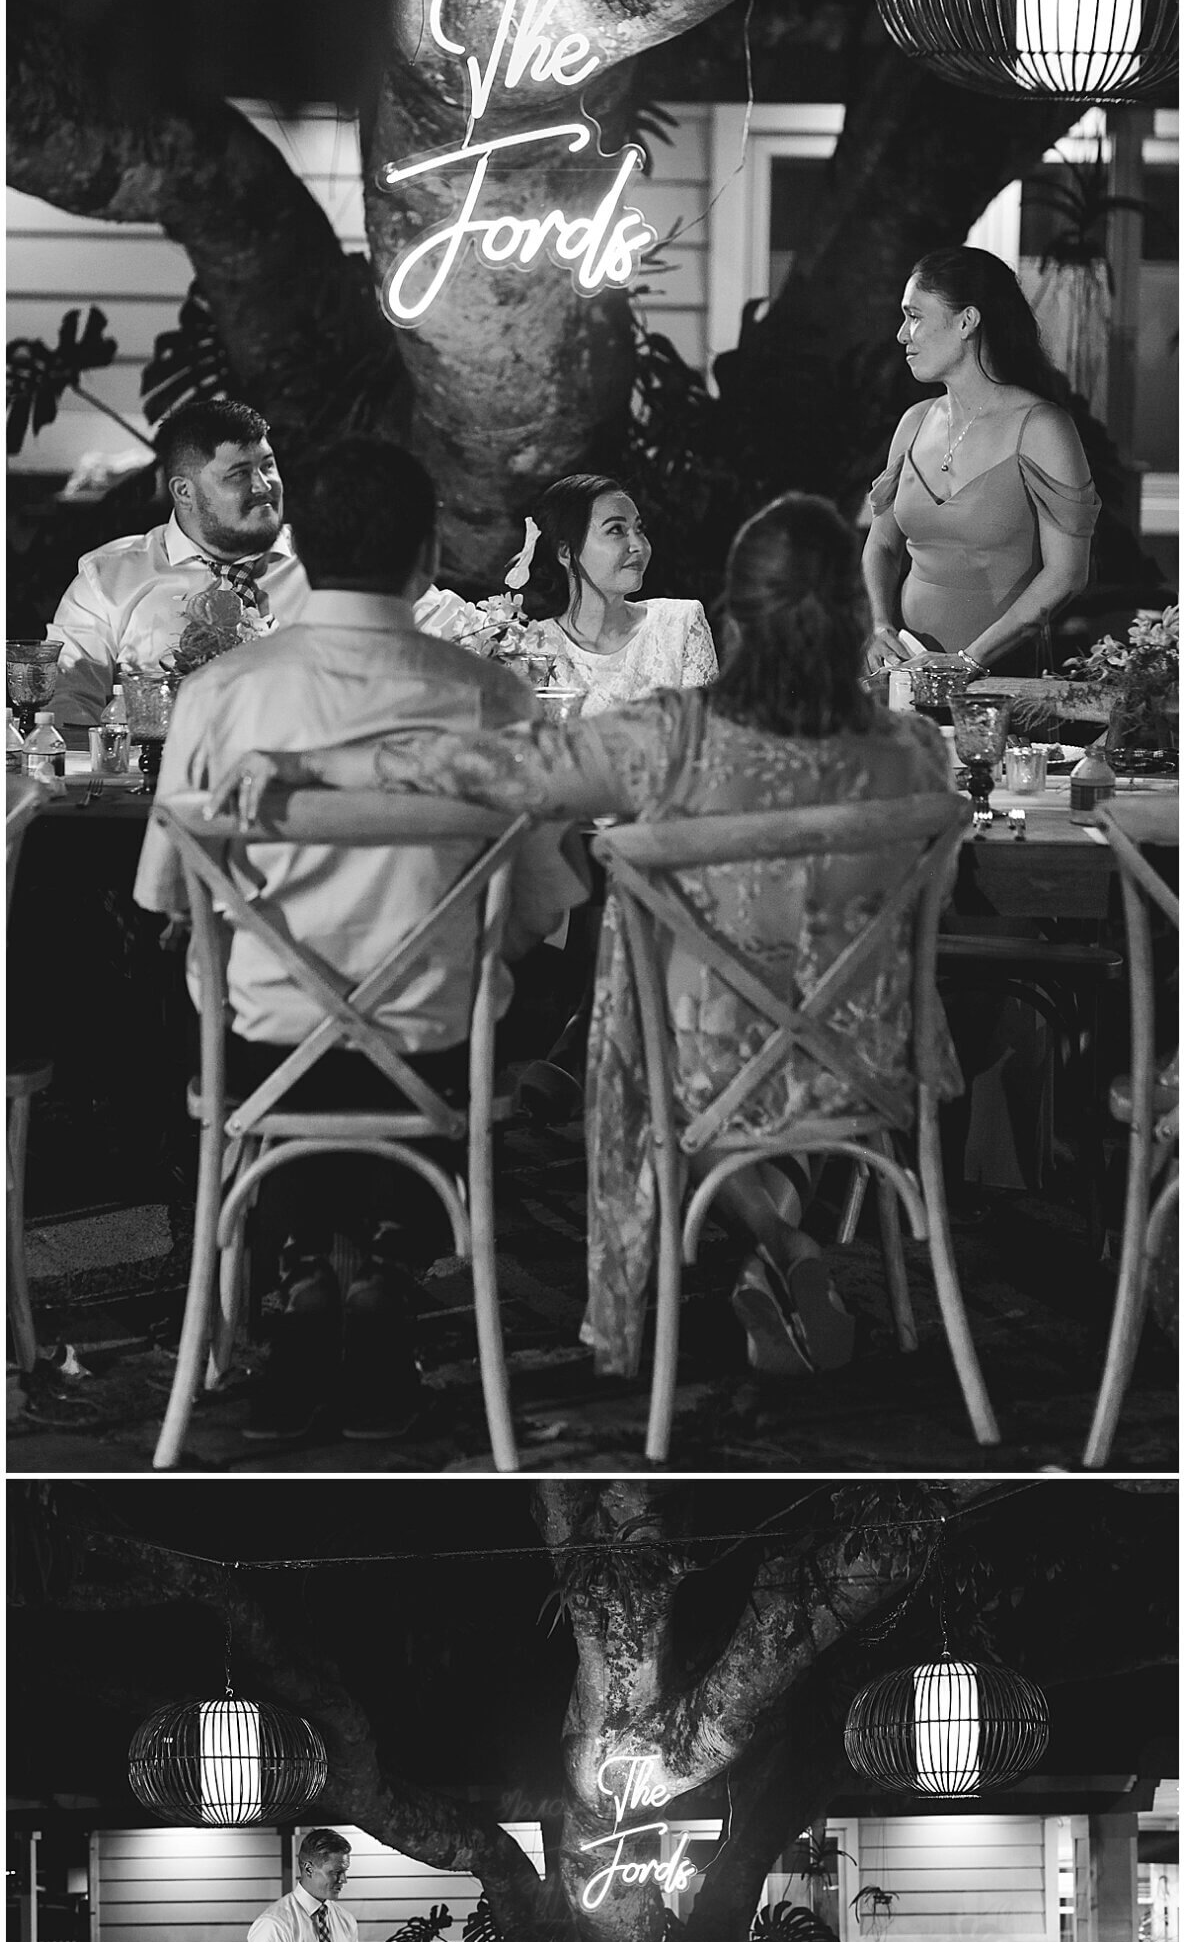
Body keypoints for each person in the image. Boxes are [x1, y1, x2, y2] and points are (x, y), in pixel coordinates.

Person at [247, 490, 958, 1380]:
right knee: (796, 1064)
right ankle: (785, 1249)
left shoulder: (672, 737)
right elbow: (941, 886)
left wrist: (316, 760)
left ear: (735, 617)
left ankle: (773, 1243)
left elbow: (497, 768)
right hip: (871, 1055)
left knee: (675, 1058)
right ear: (854, 617)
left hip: (698, 1064)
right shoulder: (915, 754)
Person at [134, 436, 583, 1446]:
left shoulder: (222, 695)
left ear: (296, 543)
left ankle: (296, 1265)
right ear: (425, 557)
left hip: (261, 1058)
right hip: (433, 1056)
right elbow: (541, 907)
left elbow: (168, 894)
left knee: (206, 983)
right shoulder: (492, 698)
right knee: (504, 986)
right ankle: (386, 1260)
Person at [862, 245, 1100, 678]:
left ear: (967, 321)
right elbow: (880, 545)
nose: (902, 334)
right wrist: (880, 624)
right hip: (908, 675)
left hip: (1002, 679)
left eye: (914, 316)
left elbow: (1067, 574)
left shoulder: (1042, 428)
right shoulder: (914, 423)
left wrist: (968, 661)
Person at [50, 398, 309, 731]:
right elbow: (67, 704)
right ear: (184, 491)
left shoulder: (326, 565)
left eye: (267, 466)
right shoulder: (109, 578)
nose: (263, 486)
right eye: (239, 474)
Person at [498, 473, 718, 713]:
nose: (638, 546)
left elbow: (702, 739)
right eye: (616, 530)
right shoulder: (534, 648)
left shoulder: (680, 624)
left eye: (639, 529)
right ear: (566, 552)